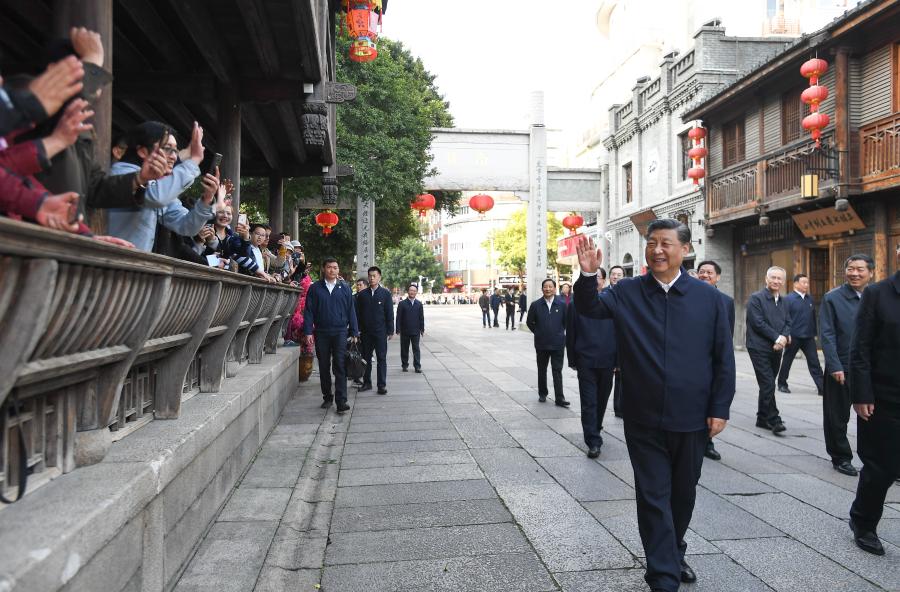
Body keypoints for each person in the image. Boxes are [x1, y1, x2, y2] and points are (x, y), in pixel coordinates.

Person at [574, 220, 735, 592]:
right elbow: (590, 309)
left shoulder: (710, 300)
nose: (657, 250)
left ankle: (674, 549)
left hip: (692, 415)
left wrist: (720, 407)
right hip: (642, 413)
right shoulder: (627, 291)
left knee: (683, 492)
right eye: (652, 244)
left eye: (665, 243)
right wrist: (586, 276)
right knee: (652, 493)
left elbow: (723, 359)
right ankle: (663, 574)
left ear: (684, 249)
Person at [848, 244, 900, 556]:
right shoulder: (878, 293)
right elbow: (861, 347)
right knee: (881, 467)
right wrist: (862, 394)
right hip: (884, 397)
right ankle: (863, 522)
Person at [106, 121, 213, 252]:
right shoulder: (121, 173)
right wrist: (194, 160)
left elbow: (187, 226)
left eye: (175, 150)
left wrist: (206, 200)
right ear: (143, 151)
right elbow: (156, 197)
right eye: (168, 149)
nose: (174, 157)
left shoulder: (155, 185)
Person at [820, 254, 874, 477]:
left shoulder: (875, 296)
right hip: (842, 365)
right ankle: (841, 457)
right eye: (851, 268)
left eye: (860, 269)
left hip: (870, 368)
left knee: (871, 415)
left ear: (870, 272)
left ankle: (874, 459)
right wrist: (834, 365)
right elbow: (827, 334)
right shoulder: (832, 298)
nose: (855, 273)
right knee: (837, 415)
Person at [566, 268, 615, 458]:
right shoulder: (575, 305)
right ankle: (593, 441)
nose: (595, 282)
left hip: (608, 359)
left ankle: (596, 426)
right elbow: (571, 332)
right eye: (591, 279)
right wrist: (572, 358)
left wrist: (619, 360)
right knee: (589, 402)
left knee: (602, 400)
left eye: (598, 278)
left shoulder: (612, 302)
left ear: (603, 281)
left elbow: (621, 333)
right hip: (585, 359)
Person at [303, 258, 359, 413]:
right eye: (329, 267)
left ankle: (341, 401)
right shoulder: (315, 288)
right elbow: (308, 311)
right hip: (321, 332)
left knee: (340, 365)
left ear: (338, 270)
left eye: (335, 267)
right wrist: (308, 331)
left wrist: (354, 331)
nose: (332, 270)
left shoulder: (345, 288)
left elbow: (351, 310)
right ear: (323, 269)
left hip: (340, 332)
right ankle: (327, 396)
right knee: (324, 365)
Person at [696, 260, 735, 462]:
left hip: (714, 359)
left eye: (709, 273)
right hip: (695, 358)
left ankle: (708, 442)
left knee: (713, 400)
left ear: (717, 277)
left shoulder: (726, 301)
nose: (704, 275)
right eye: (701, 272)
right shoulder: (690, 296)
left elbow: (728, 334)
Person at [746, 266, 791, 436]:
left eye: (779, 278)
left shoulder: (785, 301)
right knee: (767, 383)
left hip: (777, 347)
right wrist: (777, 338)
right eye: (773, 277)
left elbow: (788, 322)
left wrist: (784, 337)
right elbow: (758, 323)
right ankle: (774, 419)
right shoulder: (756, 299)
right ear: (766, 279)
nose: (776, 281)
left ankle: (761, 418)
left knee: (769, 381)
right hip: (758, 347)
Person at [777, 273, 824, 396]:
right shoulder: (788, 299)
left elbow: (813, 317)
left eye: (807, 283)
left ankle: (822, 387)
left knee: (814, 362)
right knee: (787, 360)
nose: (806, 285)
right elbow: (783, 319)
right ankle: (782, 384)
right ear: (796, 284)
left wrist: (814, 333)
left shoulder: (810, 299)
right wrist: (786, 335)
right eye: (804, 282)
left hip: (808, 337)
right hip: (793, 336)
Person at [526, 279, 569, 407]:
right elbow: (529, 322)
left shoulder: (561, 304)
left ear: (555, 289)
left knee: (557, 371)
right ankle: (542, 393)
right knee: (542, 370)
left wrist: (559, 333)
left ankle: (559, 398)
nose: (548, 289)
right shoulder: (535, 305)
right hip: (541, 344)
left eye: (550, 287)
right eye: (545, 287)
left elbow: (566, 322)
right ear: (542, 289)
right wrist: (538, 332)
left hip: (558, 344)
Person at [356, 266, 394, 395]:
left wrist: (390, 330)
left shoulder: (385, 294)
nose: (372, 278)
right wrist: (357, 331)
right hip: (366, 333)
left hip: (380, 332)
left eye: (374, 276)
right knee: (366, 359)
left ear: (379, 277)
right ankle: (367, 383)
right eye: (370, 276)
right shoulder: (362, 295)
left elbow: (389, 313)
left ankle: (381, 385)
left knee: (381, 358)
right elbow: (358, 314)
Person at [396, 284, 425, 373]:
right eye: (411, 290)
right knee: (404, 349)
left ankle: (417, 366)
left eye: (414, 291)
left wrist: (422, 329)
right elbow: (398, 317)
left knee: (416, 349)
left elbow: (421, 317)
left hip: (415, 331)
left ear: (416, 292)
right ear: (408, 292)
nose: (412, 292)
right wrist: (398, 329)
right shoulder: (402, 304)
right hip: (405, 331)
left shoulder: (419, 304)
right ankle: (404, 365)